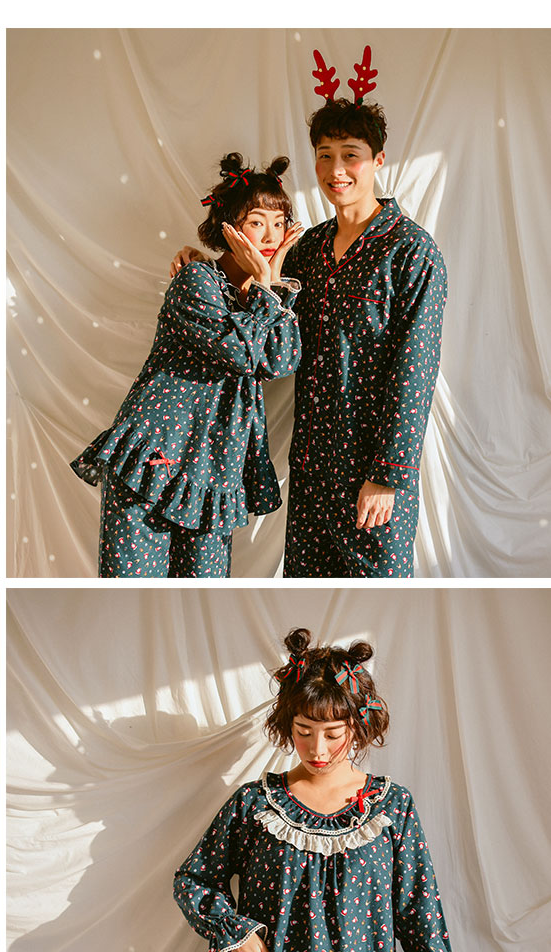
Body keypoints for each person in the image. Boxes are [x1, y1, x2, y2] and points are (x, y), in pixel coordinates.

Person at [173, 628, 468, 952]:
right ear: (287, 723)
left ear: (360, 724)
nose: (318, 748)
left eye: (334, 733)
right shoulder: (254, 806)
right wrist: (237, 935)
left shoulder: (392, 809)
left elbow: (419, 912)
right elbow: (194, 880)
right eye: (304, 730)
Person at [172, 48, 447, 577]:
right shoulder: (307, 250)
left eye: (350, 155)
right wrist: (200, 263)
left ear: (378, 161)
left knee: (378, 598)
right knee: (306, 596)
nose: (336, 170)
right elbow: (256, 292)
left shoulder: (412, 252)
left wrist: (388, 474)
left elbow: (415, 370)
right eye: (324, 155)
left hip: (372, 473)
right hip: (311, 468)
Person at [70, 153, 303, 577]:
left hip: (215, 474)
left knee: (202, 599)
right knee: (131, 596)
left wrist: (270, 284)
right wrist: (266, 286)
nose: (271, 235)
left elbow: (281, 361)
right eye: (257, 222)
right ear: (230, 228)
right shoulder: (197, 281)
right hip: (156, 460)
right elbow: (241, 353)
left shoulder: (269, 299)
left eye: (279, 222)